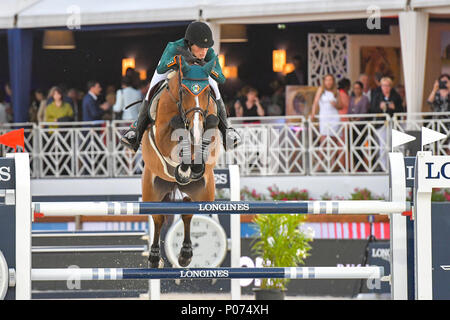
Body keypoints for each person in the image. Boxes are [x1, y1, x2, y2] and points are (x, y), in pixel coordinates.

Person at [120, 21, 241, 152]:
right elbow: (161, 69)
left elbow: (221, 78)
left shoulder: (209, 52)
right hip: (172, 69)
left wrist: (207, 66)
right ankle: (136, 131)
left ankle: (227, 131)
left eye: (206, 47)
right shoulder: (174, 47)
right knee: (152, 89)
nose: (204, 51)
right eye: (200, 47)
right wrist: (176, 59)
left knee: (216, 91)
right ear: (190, 43)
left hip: (200, 72)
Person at [369, 77, 403, 170]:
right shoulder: (377, 96)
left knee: (393, 145)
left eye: (387, 86)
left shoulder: (395, 96)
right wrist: (380, 107)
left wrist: (394, 107)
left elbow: (401, 110)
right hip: (381, 124)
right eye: (384, 86)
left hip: (393, 124)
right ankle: (384, 167)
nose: (386, 88)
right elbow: (372, 110)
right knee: (383, 146)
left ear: (391, 86)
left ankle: (394, 166)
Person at [310, 74, 343, 172]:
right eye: (327, 80)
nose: (329, 82)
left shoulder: (336, 91)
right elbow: (315, 102)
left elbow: (341, 105)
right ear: (324, 81)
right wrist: (313, 114)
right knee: (323, 141)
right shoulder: (321, 90)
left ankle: (332, 164)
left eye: (331, 80)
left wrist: (335, 104)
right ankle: (319, 164)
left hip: (334, 117)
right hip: (324, 117)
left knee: (333, 142)